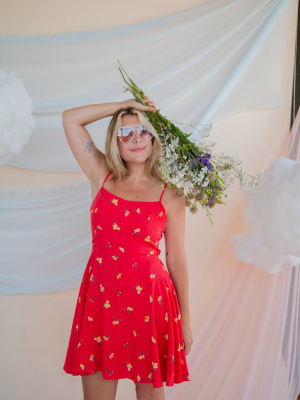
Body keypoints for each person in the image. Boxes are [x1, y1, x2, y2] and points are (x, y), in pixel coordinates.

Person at [62, 96, 193, 400]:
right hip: (102, 300)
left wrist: (185, 321)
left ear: (154, 137)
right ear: (115, 141)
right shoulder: (101, 174)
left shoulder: (171, 194)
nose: (136, 139)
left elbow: (177, 260)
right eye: (126, 133)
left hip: (151, 302)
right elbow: (70, 119)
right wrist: (125, 105)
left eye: (144, 131)